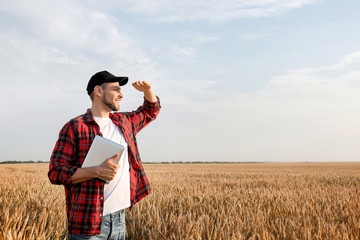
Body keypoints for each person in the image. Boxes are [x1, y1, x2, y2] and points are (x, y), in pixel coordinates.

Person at [48, 70, 161, 239]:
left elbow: (149, 111)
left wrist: (148, 91)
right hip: (88, 225)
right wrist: (96, 171)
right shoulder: (75, 127)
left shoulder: (124, 122)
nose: (121, 95)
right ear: (99, 91)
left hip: (119, 220)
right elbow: (55, 172)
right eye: (116, 89)